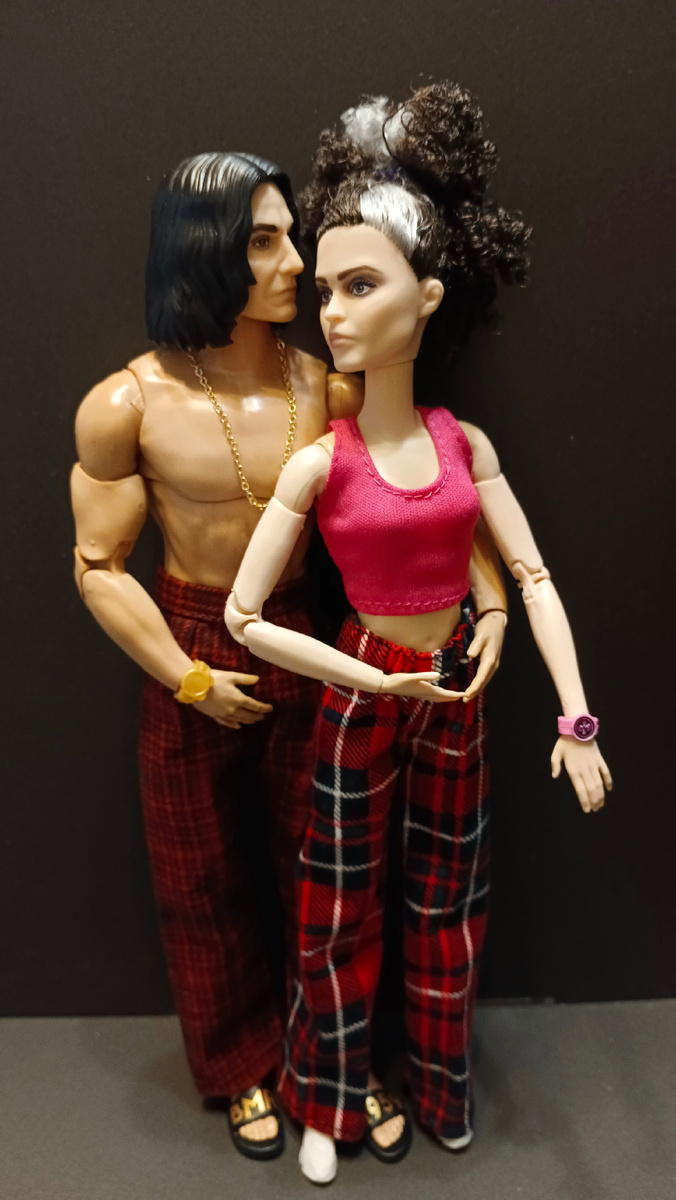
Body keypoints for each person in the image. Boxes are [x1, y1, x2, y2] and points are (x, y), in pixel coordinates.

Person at [70, 148, 507, 1163]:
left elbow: (434, 500)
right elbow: (96, 564)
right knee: (198, 872)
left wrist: (490, 599)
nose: (295, 264)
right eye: (264, 240)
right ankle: (237, 1066)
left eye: (290, 238)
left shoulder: (328, 388)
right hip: (184, 632)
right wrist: (184, 674)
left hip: (310, 634)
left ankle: (336, 1068)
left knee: (328, 872)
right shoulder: (127, 403)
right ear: (204, 249)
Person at [224, 85, 612, 1184]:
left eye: (361, 285)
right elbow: (246, 617)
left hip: (452, 687)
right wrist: (365, 679)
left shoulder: (461, 445)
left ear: (427, 295)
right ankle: (325, 1097)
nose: (332, 313)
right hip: (362, 687)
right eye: (326, 288)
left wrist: (575, 717)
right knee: (335, 906)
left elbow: (531, 573)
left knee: (449, 900)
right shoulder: (321, 463)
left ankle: (440, 1084)